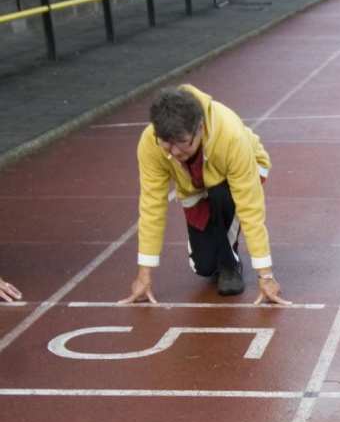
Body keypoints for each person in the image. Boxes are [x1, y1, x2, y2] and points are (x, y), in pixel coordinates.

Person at [121, 85, 289, 306]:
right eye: (167, 145)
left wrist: (265, 276)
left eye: (182, 144)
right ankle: (221, 254)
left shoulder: (230, 136)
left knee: (220, 193)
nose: (175, 153)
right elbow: (152, 205)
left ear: (200, 128)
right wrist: (144, 274)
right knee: (205, 267)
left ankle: (230, 265)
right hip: (194, 186)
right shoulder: (150, 143)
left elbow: (250, 207)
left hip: (241, 173)